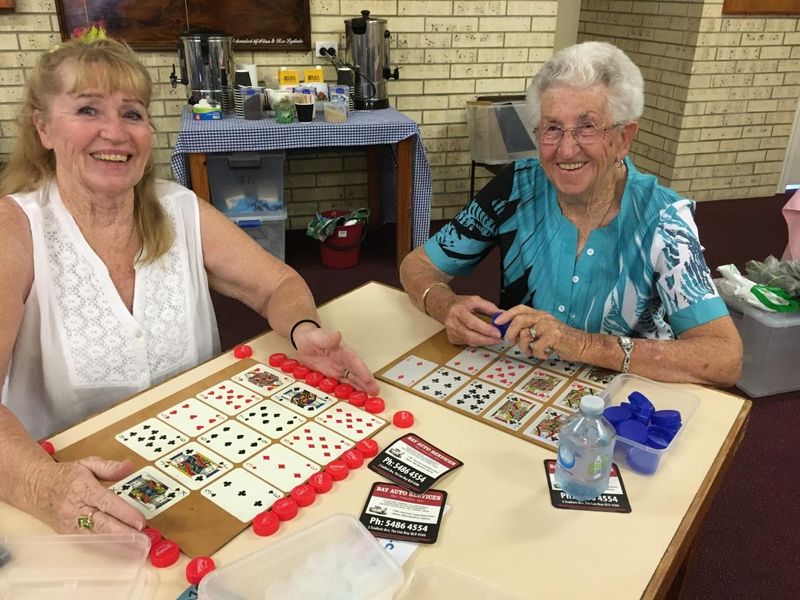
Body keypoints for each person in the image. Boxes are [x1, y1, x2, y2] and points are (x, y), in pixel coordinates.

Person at [0, 36, 379, 535]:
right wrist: (41, 485)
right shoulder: (15, 227)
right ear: (43, 127)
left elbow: (277, 285)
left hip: (207, 463)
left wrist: (303, 330)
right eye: (88, 109)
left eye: (132, 114)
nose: (114, 133)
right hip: (72, 490)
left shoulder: (177, 206)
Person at [400, 41, 742, 386]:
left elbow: (724, 359)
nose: (565, 149)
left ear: (624, 138)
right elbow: (416, 266)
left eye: (588, 126)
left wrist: (583, 344)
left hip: (626, 400)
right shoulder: (515, 188)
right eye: (551, 128)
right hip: (523, 384)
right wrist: (443, 304)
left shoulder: (664, 219)